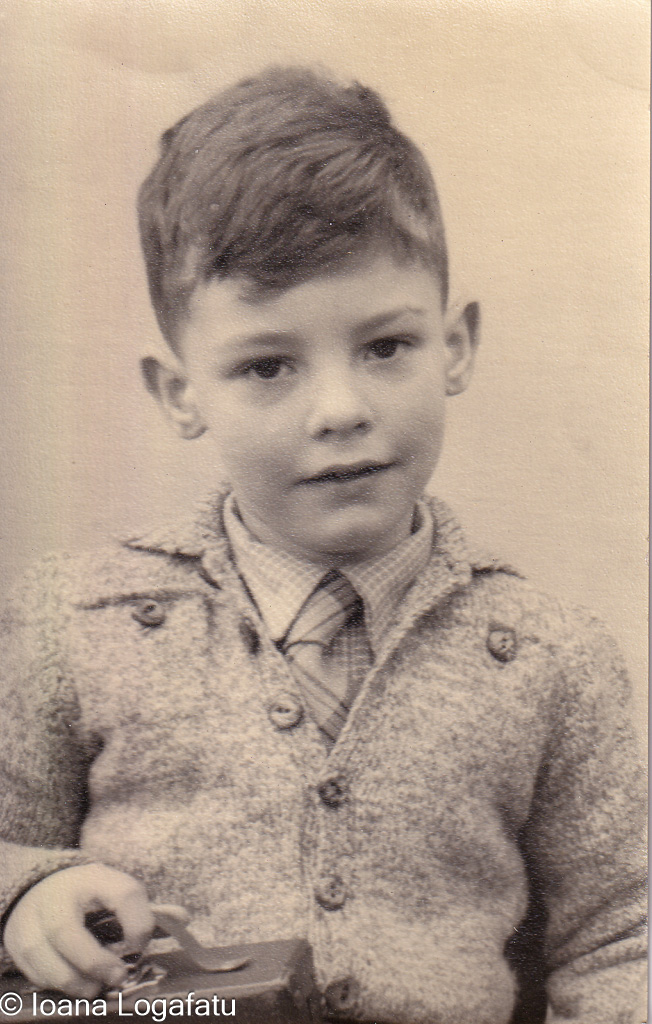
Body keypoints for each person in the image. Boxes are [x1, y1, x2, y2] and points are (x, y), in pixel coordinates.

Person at [0, 66, 645, 1024]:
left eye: (386, 347)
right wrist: (26, 892)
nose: (340, 411)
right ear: (180, 393)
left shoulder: (556, 661)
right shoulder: (72, 624)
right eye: (267, 366)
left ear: (455, 345)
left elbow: (621, 936)